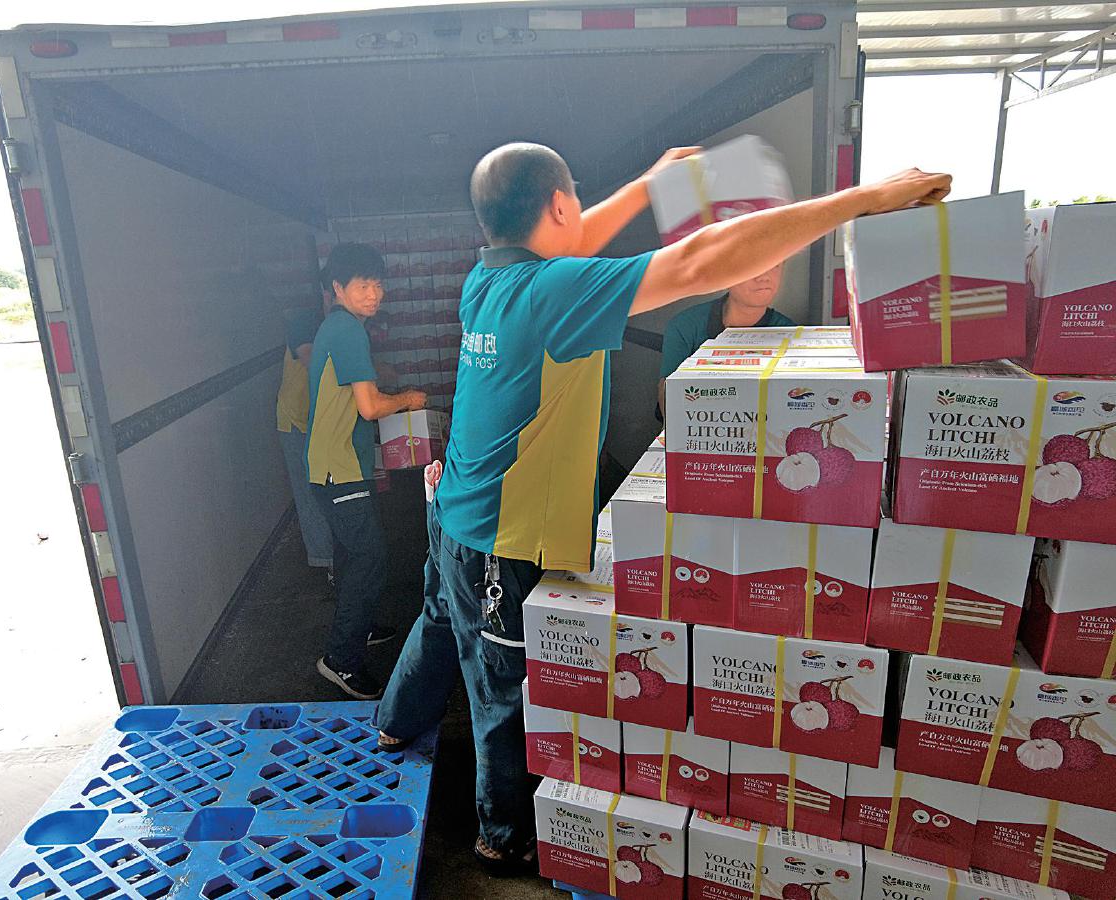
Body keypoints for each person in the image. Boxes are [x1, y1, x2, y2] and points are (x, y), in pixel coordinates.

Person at [375, 143, 951, 872]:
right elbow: (697, 262)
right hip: (499, 536)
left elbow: (572, 242)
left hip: (453, 505)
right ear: (559, 206)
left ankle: (394, 723)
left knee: (440, 619)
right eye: (573, 204)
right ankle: (502, 834)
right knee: (501, 689)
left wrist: (647, 185)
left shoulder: (487, 280)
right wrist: (861, 201)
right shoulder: (553, 293)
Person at [307, 243, 427, 700]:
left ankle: (359, 625)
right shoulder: (347, 330)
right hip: (337, 468)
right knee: (369, 558)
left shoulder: (342, 326)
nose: (373, 294)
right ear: (338, 288)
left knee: (351, 554)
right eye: (363, 285)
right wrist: (409, 400)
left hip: (336, 464)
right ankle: (340, 659)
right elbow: (370, 407)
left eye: (378, 285)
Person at [656, 263, 794, 418]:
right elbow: (668, 394)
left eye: (774, 265)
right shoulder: (686, 325)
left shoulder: (791, 336)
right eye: (751, 265)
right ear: (725, 276)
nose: (763, 277)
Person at [277, 305, 334, 573]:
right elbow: (314, 363)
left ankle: (336, 554)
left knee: (328, 489)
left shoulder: (337, 325)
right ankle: (326, 562)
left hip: (318, 419)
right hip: (296, 423)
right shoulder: (306, 321)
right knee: (310, 494)